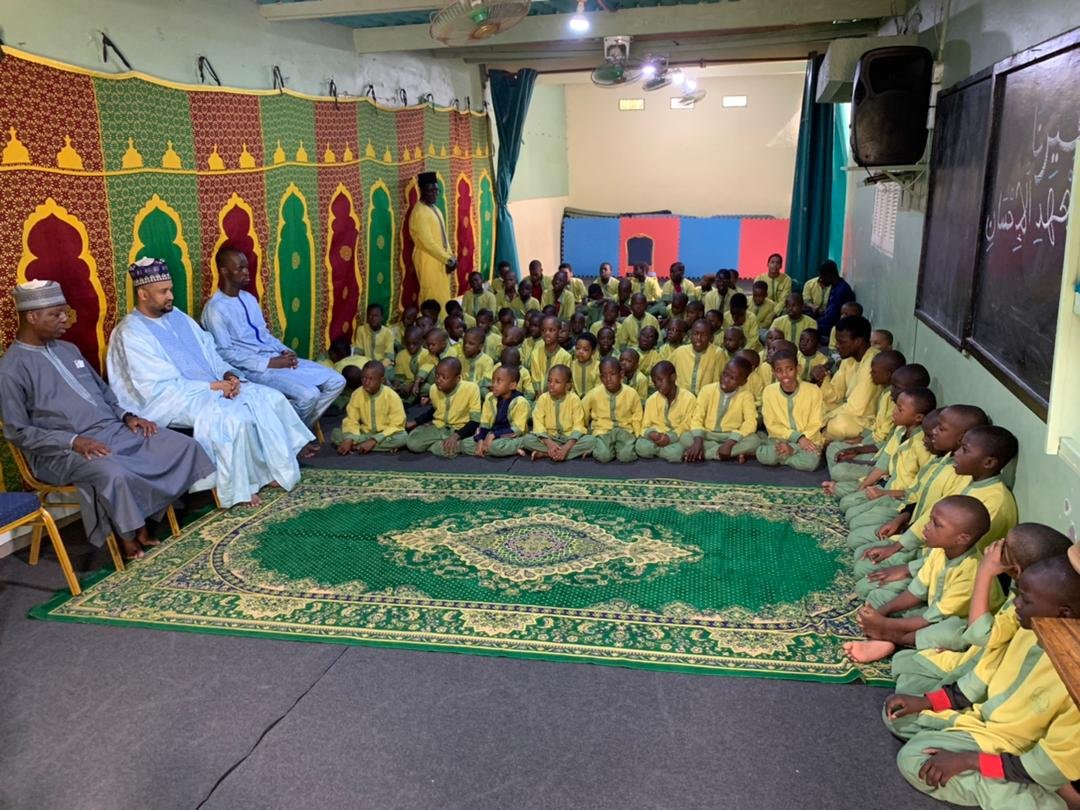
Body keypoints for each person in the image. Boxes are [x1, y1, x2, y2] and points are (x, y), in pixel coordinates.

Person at [0, 280, 215, 560]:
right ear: (32, 317)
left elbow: (103, 392)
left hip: (113, 430)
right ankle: (129, 533)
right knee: (113, 473)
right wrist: (74, 441)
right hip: (62, 451)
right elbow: (18, 432)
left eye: (64, 312)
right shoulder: (11, 369)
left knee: (181, 445)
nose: (65, 319)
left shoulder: (68, 349)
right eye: (56, 314)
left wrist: (127, 416)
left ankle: (146, 516)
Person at [108, 261, 313, 508]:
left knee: (270, 398)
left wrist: (228, 375)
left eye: (170, 289)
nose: (171, 296)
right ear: (143, 294)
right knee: (233, 419)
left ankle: (269, 471)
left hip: (211, 385)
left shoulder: (178, 317)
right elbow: (155, 386)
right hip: (169, 400)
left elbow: (210, 351)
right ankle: (238, 488)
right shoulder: (131, 332)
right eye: (163, 291)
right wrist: (213, 387)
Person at [889, 555, 1080, 809]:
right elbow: (982, 675)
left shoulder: (1073, 673)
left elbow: (1049, 762)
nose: (1016, 604)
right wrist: (930, 701)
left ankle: (1043, 802)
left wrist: (969, 761)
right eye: (1017, 594)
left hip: (1017, 752)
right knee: (898, 717)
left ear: (1063, 613)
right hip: (983, 726)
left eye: (1025, 600)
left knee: (913, 759)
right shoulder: (1027, 625)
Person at [886, 522, 1071, 705]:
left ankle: (892, 637)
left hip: (982, 674)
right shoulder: (1025, 594)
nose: (995, 548)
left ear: (1016, 570)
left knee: (908, 687)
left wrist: (985, 571)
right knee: (908, 659)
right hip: (978, 650)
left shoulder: (1030, 606)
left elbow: (980, 635)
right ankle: (895, 637)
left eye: (1004, 547)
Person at [200, 249, 345, 431]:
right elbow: (224, 353)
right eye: (240, 268)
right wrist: (268, 363)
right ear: (224, 271)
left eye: (246, 267)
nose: (246, 272)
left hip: (276, 359)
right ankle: (293, 435)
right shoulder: (215, 309)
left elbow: (264, 335)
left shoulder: (249, 299)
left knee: (337, 381)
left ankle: (294, 432)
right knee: (310, 395)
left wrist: (284, 351)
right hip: (254, 370)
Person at [843, 495, 994, 664]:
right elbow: (915, 592)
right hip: (932, 610)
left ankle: (892, 638)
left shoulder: (970, 573)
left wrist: (884, 624)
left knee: (947, 633)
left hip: (955, 622)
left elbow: (929, 620)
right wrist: (881, 612)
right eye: (930, 519)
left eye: (936, 524)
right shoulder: (940, 550)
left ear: (962, 539)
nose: (927, 526)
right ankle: (884, 638)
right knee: (879, 598)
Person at [828, 387, 936, 518]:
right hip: (885, 483)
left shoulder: (922, 444)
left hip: (899, 497)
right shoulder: (900, 431)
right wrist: (863, 486)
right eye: (895, 407)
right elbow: (883, 464)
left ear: (918, 417)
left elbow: (918, 491)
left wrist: (884, 493)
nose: (894, 412)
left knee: (849, 508)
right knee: (845, 497)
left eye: (900, 410)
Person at [681, 357, 760, 463]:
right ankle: (726, 453)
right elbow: (697, 418)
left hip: (730, 436)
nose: (726, 380)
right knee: (685, 437)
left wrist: (730, 442)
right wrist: (698, 441)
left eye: (732, 378)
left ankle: (702, 453)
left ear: (743, 382)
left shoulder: (746, 396)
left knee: (754, 441)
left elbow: (750, 422)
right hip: (707, 434)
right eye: (725, 374)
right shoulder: (707, 390)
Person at [755, 348, 824, 471]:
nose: (785, 375)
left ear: (798, 369)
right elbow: (771, 425)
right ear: (773, 372)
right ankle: (788, 454)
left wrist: (797, 445)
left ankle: (785, 455)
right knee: (764, 456)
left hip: (809, 439)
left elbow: (816, 423)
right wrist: (796, 438)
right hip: (780, 438)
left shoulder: (813, 390)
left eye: (790, 369)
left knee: (811, 463)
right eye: (779, 370)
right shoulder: (769, 392)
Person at [816, 315, 882, 441]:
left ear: (858, 342)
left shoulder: (874, 363)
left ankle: (819, 442)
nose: (836, 346)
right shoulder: (849, 358)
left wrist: (824, 420)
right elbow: (836, 394)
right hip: (849, 411)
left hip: (866, 420)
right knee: (816, 405)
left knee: (837, 425)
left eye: (842, 342)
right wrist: (822, 379)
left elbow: (856, 408)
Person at [404, 357, 482, 457]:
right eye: (437, 376)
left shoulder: (471, 389)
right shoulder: (433, 389)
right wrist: (416, 422)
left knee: (476, 444)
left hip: (460, 429)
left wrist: (456, 436)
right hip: (439, 427)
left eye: (444, 377)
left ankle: (447, 446)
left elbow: (475, 421)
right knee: (412, 443)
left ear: (458, 378)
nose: (438, 380)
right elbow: (435, 410)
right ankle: (446, 447)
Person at [521, 365, 595, 461]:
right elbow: (538, 424)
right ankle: (560, 453)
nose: (551, 385)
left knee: (591, 441)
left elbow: (578, 425)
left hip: (569, 438)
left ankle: (546, 454)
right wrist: (549, 443)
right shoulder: (543, 398)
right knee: (527, 440)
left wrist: (566, 447)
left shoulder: (574, 399)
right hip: (549, 437)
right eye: (549, 381)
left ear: (567, 386)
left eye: (557, 382)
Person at [333, 361, 407, 455]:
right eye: (363, 378)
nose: (366, 382)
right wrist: (349, 439)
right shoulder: (357, 394)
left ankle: (358, 446)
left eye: (371, 379)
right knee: (336, 433)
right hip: (364, 434)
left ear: (382, 380)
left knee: (402, 438)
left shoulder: (391, 395)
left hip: (384, 435)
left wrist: (374, 440)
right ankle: (368, 446)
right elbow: (351, 419)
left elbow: (397, 424)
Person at [409, 172, 456, 311]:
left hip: (441, 260)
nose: (434, 194)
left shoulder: (435, 209)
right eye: (430, 190)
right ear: (422, 191)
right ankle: (430, 324)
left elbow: (443, 237)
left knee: (443, 296)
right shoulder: (419, 212)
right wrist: (447, 259)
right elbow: (427, 243)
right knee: (431, 297)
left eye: (436, 190)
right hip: (428, 260)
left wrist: (451, 257)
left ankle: (444, 323)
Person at [583, 357, 643, 463]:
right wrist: (586, 434)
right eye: (604, 375)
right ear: (601, 378)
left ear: (621, 374)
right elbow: (582, 413)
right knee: (604, 456)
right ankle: (601, 447)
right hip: (602, 431)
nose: (608, 379)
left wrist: (638, 435)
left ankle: (620, 448)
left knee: (626, 456)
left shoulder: (631, 393)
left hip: (625, 431)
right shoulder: (594, 393)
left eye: (612, 374)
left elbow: (637, 417)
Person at [462, 366, 530, 458]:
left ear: (512, 385)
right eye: (493, 380)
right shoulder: (490, 397)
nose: (493, 384)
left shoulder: (520, 402)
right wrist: (481, 440)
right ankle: (503, 450)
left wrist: (493, 435)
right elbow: (485, 423)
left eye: (498, 381)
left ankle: (515, 446)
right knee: (465, 444)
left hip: (510, 436)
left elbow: (517, 430)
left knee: (495, 446)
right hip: (492, 435)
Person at [635, 361, 696, 462]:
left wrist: (670, 438)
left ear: (673, 377)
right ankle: (666, 453)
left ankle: (658, 452)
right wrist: (651, 434)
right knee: (640, 446)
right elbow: (645, 426)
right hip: (656, 438)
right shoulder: (651, 400)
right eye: (655, 382)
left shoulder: (689, 398)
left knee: (686, 441)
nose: (657, 385)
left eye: (660, 380)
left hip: (676, 438)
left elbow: (687, 425)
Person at [670, 319, 724, 396]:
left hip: (705, 398)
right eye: (695, 334)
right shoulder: (680, 351)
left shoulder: (717, 353)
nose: (698, 338)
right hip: (682, 398)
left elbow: (717, 382)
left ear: (711, 338)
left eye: (703, 335)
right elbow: (666, 371)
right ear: (690, 335)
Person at [527, 315, 572, 398]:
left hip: (559, 397)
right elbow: (535, 380)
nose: (547, 333)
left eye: (551, 330)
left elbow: (564, 381)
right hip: (539, 397)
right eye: (543, 330)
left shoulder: (565, 356)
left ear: (559, 332)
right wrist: (541, 397)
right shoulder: (535, 353)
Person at [810, 260, 856, 340]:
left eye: (822, 276)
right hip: (830, 321)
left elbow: (831, 318)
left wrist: (813, 323)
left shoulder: (840, 291)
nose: (820, 279)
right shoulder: (836, 286)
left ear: (830, 275)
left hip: (833, 326)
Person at [351, 301, 396, 375]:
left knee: (390, 373)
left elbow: (389, 357)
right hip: (365, 364)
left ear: (381, 318)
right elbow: (358, 353)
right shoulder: (361, 330)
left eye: (376, 316)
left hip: (382, 365)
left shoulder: (388, 333)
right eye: (370, 315)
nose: (373, 318)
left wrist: (377, 367)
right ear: (367, 317)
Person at [448, 327, 494, 397]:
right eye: (465, 342)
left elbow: (486, 381)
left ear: (480, 346)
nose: (466, 346)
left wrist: (471, 388)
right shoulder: (460, 359)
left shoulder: (487, 361)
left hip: (477, 390)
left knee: (484, 392)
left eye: (471, 344)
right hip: (461, 389)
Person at [393, 325, 425, 405]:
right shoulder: (400, 355)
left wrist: (411, 385)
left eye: (415, 343)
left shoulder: (426, 355)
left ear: (422, 342)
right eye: (408, 344)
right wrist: (398, 387)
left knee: (427, 388)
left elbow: (426, 378)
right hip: (406, 385)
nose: (411, 347)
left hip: (420, 385)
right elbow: (399, 377)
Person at [571, 332, 600, 399]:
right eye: (578, 348)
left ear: (593, 352)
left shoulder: (598, 366)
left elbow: (598, 388)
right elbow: (570, 387)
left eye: (585, 350)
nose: (580, 352)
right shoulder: (571, 365)